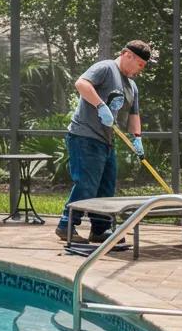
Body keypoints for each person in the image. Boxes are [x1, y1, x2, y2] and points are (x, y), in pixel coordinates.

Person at [56, 39, 152, 244]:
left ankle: (100, 229)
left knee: (106, 187)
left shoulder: (132, 86)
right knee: (86, 185)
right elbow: (81, 84)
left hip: (106, 141)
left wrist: (137, 139)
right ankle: (66, 225)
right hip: (84, 136)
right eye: (140, 64)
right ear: (127, 55)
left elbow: (134, 115)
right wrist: (100, 106)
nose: (140, 70)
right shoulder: (106, 68)